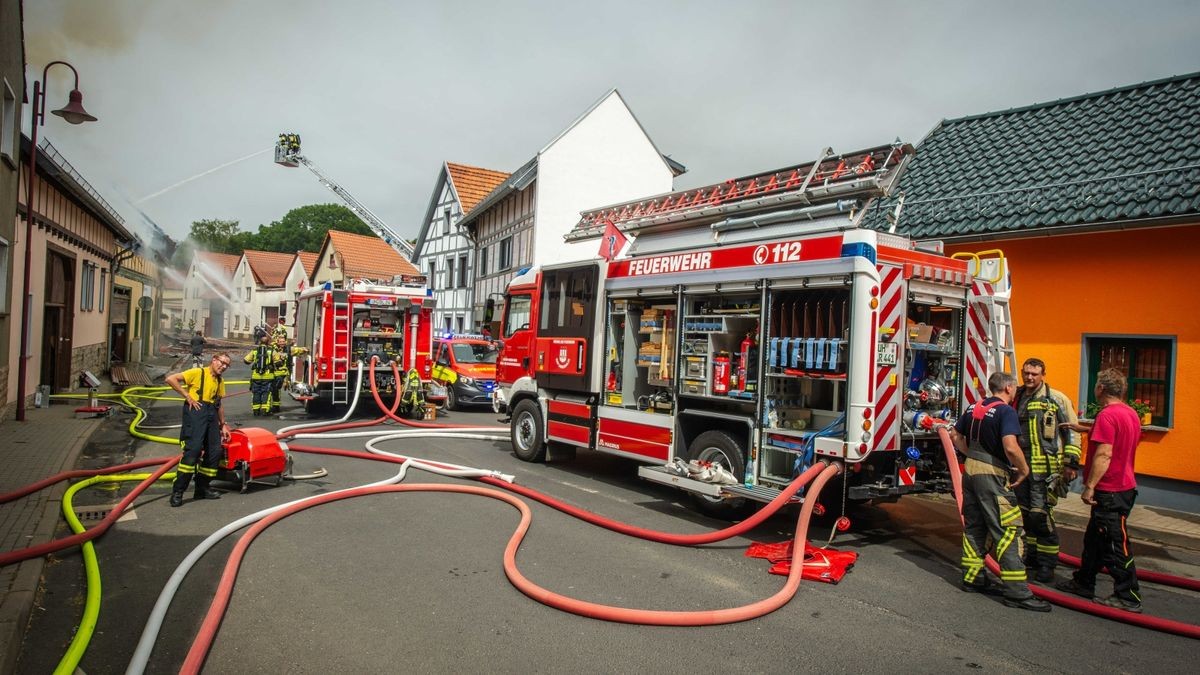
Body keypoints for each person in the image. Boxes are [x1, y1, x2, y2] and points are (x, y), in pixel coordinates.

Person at [951, 371, 1051, 612]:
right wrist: (1023, 469)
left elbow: (955, 435)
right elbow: (1010, 446)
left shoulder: (974, 407)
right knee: (1008, 530)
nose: (1016, 390)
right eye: (1014, 387)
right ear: (1008, 388)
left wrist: (969, 454)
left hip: (971, 472)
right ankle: (1017, 592)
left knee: (975, 526)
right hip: (993, 475)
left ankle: (972, 578)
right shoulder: (1006, 411)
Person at [1056, 368, 1144, 613]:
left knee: (1114, 544)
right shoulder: (1129, 414)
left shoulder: (1107, 416)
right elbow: (1116, 434)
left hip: (1110, 490)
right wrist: (1082, 428)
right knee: (1094, 539)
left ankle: (1128, 595)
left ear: (1101, 389)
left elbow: (1105, 454)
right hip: (1125, 486)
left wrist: (1090, 487)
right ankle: (1084, 581)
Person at [1011, 358, 1082, 582]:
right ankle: (1032, 557)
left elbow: (1072, 431)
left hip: (1047, 471)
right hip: (1022, 469)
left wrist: (1071, 463)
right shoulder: (1017, 396)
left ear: (1043, 375)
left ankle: (1047, 565)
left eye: (1034, 374)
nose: (1029, 378)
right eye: (1026, 373)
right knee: (1025, 515)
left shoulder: (1056, 399)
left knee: (1041, 517)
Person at [164, 353, 232, 507]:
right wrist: (187, 396)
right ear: (214, 360)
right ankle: (178, 491)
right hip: (196, 412)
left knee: (215, 451)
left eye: (227, 365)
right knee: (193, 452)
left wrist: (223, 424)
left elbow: (219, 403)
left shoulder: (220, 380)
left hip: (211, 414)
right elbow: (170, 379)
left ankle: (202, 487)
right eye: (222, 363)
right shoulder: (197, 373)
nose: (224, 367)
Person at [243, 336, 280, 416]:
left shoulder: (255, 351)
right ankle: (265, 410)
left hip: (256, 376)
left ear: (260, 342)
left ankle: (256, 410)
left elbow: (246, 360)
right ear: (268, 342)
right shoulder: (272, 351)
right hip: (268, 377)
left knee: (256, 393)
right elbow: (278, 362)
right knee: (266, 393)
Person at [270, 335, 307, 413]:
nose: (282, 343)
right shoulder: (273, 349)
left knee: (277, 389)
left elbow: (297, 350)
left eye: (283, 342)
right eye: (280, 342)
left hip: (285, 373)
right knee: (275, 390)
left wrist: (304, 350)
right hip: (276, 373)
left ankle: (276, 406)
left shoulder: (288, 349)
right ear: (277, 342)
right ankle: (276, 406)